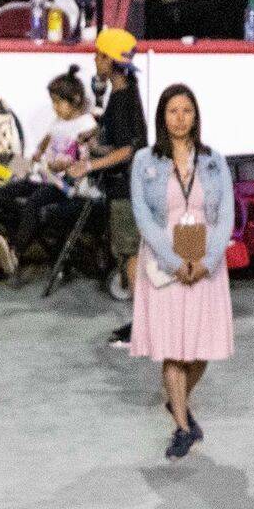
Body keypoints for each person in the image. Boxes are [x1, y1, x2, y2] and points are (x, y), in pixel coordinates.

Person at [130, 84, 235, 460]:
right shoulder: (145, 161)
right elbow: (143, 217)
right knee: (172, 349)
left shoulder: (213, 160)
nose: (179, 118)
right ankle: (182, 426)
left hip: (204, 253)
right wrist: (176, 261)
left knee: (201, 348)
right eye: (172, 111)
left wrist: (206, 260)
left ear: (196, 115)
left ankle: (177, 404)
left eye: (186, 111)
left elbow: (225, 217)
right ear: (162, 117)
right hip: (164, 255)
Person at [0, 65, 97, 279]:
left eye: (58, 102)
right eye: (53, 102)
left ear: (76, 99)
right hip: (43, 176)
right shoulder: (58, 122)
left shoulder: (86, 124)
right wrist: (32, 157)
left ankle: (14, 253)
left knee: (34, 202)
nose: (54, 107)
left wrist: (64, 164)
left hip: (64, 185)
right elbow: (45, 144)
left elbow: (85, 158)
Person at [75, 27, 146, 347]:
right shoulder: (126, 92)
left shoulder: (121, 99)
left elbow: (127, 149)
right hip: (131, 186)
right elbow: (121, 139)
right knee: (129, 255)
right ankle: (141, 321)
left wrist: (88, 165)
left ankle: (142, 327)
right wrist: (95, 138)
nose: (94, 60)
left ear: (109, 60)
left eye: (98, 55)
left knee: (131, 255)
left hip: (127, 190)